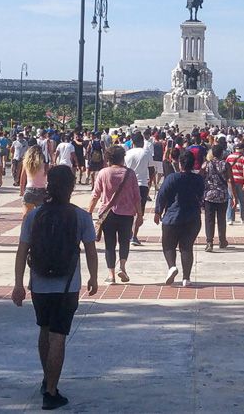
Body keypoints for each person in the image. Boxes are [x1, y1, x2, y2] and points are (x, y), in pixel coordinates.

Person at [12, 165, 99, 411]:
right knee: (58, 336)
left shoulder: (34, 215)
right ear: (71, 187)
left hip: (39, 283)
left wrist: (18, 284)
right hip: (67, 284)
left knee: (45, 329)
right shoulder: (80, 216)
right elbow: (91, 251)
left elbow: (22, 252)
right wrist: (93, 277)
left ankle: (46, 378)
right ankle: (51, 391)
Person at [89, 145, 140, 284]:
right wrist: (140, 215)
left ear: (108, 159)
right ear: (123, 158)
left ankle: (111, 275)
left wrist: (89, 211)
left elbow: (95, 195)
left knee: (109, 244)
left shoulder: (103, 173)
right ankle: (122, 267)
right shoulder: (130, 174)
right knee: (124, 241)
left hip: (108, 213)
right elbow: (137, 196)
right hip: (127, 213)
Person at [155, 150, 204, 287]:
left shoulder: (172, 178)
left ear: (180, 163)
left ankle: (172, 266)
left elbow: (162, 194)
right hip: (192, 217)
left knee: (168, 245)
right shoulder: (198, 179)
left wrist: (158, 212)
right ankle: (186, 278)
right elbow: (201, 196)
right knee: (187, 247)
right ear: (193, 163)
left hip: (172, 217)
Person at [124, 132, 155, 247]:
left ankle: (128, 233)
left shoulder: (127, 154)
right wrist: (150, 182)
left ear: (132, 142)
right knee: (139, 211)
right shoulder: (146, 153)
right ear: (142, 142)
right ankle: (134, 235)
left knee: (128, 210)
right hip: (142, 184)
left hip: (128, 184)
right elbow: (151, 170)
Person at [201, 144, 230, 251]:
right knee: (221, 219)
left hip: (209, 195)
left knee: (209, 220)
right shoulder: (226, 165)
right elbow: (230, 180)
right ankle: (222, 240)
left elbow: (201, 176)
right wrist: (234, 196)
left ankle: (209, 242)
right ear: (222, 153)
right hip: (222, 195)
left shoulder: (206, 164)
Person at [20, 144, 48, 215]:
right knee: (41, 216)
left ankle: (26, 226)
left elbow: (22, 179)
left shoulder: (26, 164)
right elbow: (48, 179)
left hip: (29, 189)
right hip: (42, 190)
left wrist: (21, 190)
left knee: (26, 215)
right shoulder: (45, 165)